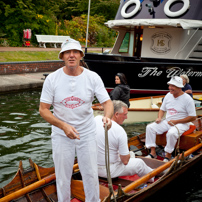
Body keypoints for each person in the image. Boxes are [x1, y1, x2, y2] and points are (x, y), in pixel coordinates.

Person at [39, 38, 114, 202]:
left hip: (86, 133)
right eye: (67, 52)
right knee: (62, 176)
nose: (71, 55)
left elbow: (107, 102)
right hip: (61, 134)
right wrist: (63, 126)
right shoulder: (52, 79)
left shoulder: (93, 77)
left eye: (75, 52)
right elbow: (43, 109)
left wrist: (107, 117)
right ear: (62, 56)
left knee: (91, 174)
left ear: (80, 55)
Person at [95, 100, 154, 182]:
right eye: (125, 114)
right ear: (116, 114)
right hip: (106, 171)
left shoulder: (96, 119)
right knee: (139, 163)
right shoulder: (119, 130)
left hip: (92, 167)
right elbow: (125, 161)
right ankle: (153, 178)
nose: (126, 117)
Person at [145, 76, 196, 162]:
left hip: (182, 124)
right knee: (150, 127)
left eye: (173, 86)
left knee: (171, 133)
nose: (170, 88)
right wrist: (159, 117)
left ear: (179, 87)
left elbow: (193, 117)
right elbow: (162, 109)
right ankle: (152, 152)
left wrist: (176, 121)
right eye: (169, 85)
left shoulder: (188, 99)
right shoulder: (168, 95)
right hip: (168, 121)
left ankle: (168, 155)